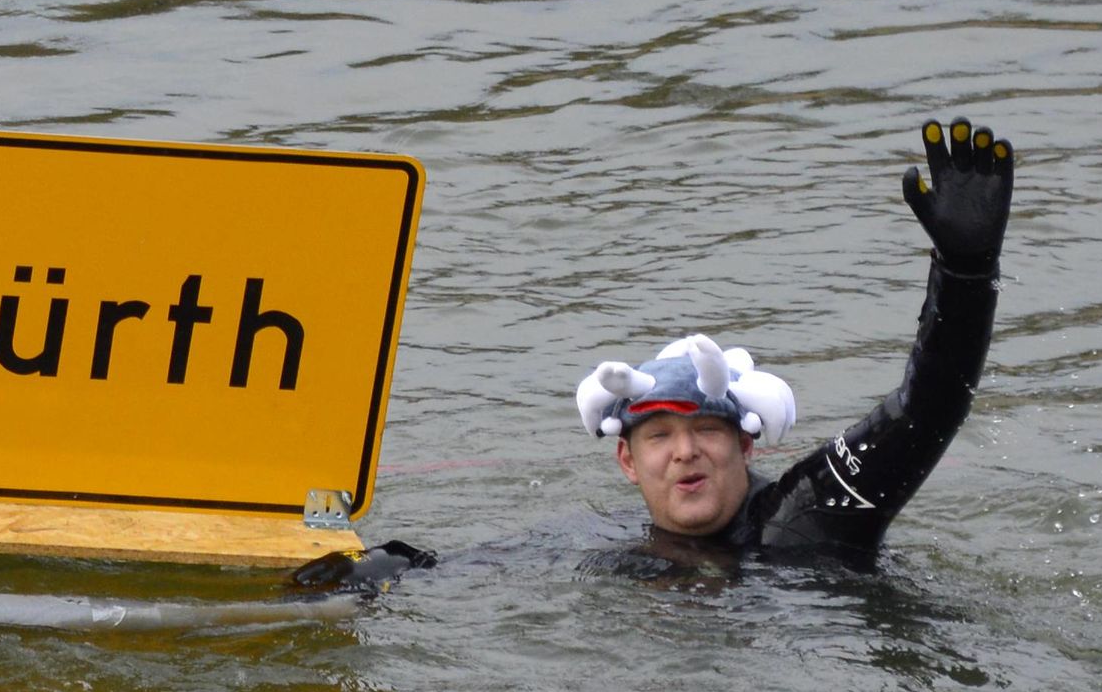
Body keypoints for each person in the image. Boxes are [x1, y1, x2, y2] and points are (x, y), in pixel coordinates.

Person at [303, 115, 1016, 587]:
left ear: (746, 445)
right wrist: (389, 567)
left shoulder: (810, 516)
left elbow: (926, 408)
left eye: (706, 429)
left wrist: (965, 273)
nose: (685, 452)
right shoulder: (611, 547)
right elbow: (473, 574)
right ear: (627, 461)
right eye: (660, 436)